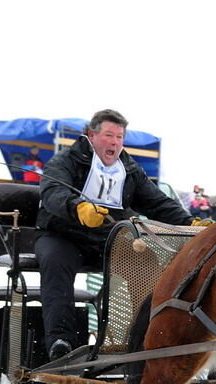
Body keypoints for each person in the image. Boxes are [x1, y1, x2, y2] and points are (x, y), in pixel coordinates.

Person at [36, 108, 192, 359]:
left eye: (120, 137)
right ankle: (61, 341)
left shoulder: (129, 168)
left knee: (147, 264)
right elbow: (52, 190)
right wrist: (78, 208)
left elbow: (156, 203)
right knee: (55, 263)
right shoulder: (66, 160)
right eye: (109, 135)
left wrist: (190, 221)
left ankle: (145, 337)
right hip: (62, 234)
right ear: (91, 135)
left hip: (108, 239)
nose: (115, 143)